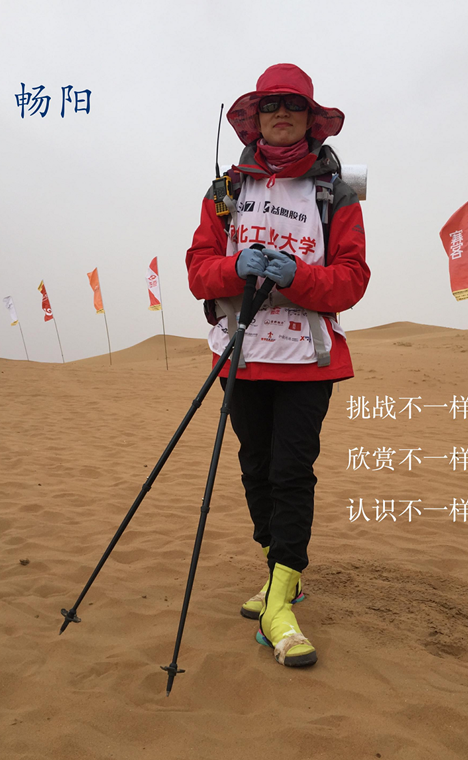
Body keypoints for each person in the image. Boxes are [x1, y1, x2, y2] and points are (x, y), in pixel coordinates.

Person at [186, 63, 370, 668]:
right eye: (270, 105)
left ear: (311, 118)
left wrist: (299, 277)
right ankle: (279, 574)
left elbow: (352, 278)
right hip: (240, 353)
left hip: (306, 358)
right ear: (255, 118)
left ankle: (280, 604)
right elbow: (198, 271)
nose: (281, 113)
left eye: (293, 104)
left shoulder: (334, 193)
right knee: (256, 468)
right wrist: (235, 268)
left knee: (292, 471)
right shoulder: (225, 191)